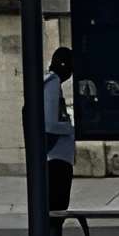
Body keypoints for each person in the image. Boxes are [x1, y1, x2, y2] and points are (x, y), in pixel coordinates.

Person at [44, 47, 78, 214]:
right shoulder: (53, 83)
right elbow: (50, 124)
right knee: (56, 212)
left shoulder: (50, 82)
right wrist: (71, 129)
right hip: (58, 158)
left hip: (55, 157)